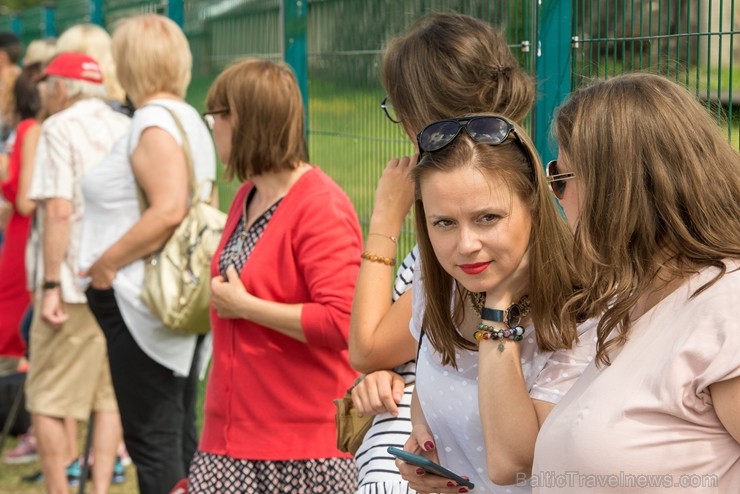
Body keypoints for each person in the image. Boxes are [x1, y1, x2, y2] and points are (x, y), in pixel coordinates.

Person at [348, 13, 535, 493]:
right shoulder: (452, 248)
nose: (466, 239)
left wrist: (384, 222)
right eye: (445, 224)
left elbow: (366, 347)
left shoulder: (473, 255)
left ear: (415, 120)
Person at [532, 73, 740, 492]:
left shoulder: (726, 309)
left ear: (616, 191)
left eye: (560, 178)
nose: (555, 196)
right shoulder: (641, 300)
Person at [390, 114, 597, 493]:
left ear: (533, 203)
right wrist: (426, 446)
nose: (466, 245)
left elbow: (512, 465)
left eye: (487, 218)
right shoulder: (440, 286)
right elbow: (433, 377)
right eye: (444, 223)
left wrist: (497, 311)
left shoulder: (583, 313)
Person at [187, 57, 363, 493]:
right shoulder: (247, 194)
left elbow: (342, 322)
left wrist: (246, 308)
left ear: (245, 121)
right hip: (230, 438)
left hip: (300, 447)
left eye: (218, 116)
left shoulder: (320, 206)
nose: (213, 128)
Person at [79, 14, 216, 494]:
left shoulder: (152, 121)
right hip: (172, 299)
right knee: (176, 433)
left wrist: (105, 265)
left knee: (153, 439)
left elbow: (170, 209)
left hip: (143, 300)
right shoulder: (188, 119)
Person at [24, 51, 130, 494]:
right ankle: (101, 487)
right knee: (109, 396)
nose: (45, 95)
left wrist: (50, 285)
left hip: (70, 284)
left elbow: (58, 210)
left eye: (48, 86)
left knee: (46, 398)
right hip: (121, 282)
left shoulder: (58, 127)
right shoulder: (126, 125)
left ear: (62, 88)